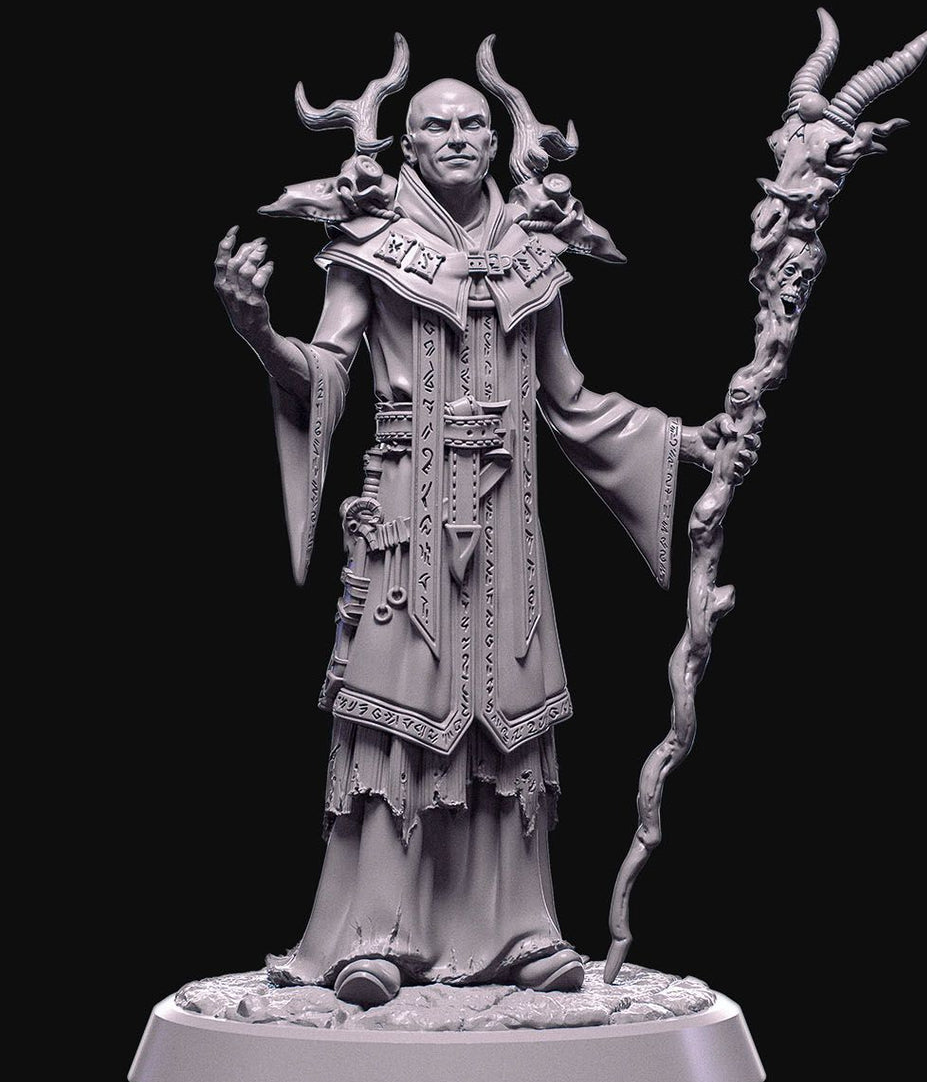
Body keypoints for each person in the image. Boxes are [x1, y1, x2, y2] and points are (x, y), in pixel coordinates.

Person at [215, 64, 756, 1007]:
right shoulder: (370, 244)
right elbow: (327, 372)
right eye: (437, 126)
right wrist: (259, 332)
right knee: (397, 713)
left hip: (509, 522)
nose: (459, 137)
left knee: (507, 714)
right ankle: (376, 937)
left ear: (496, 142)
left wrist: (685, 441)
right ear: (408, 146)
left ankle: (519, 932)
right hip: (404, 515)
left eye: (473, 124)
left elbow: (570, 400)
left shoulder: (533, 251)